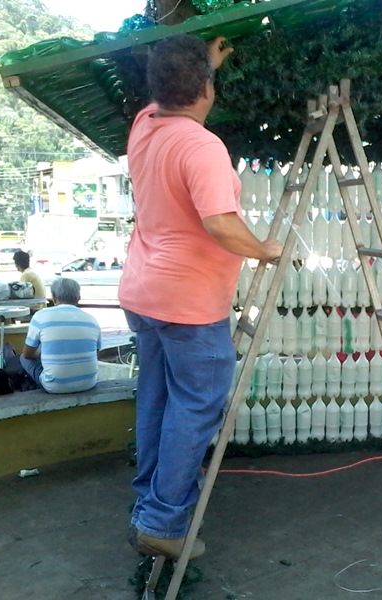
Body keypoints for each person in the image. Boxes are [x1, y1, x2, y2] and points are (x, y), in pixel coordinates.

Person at [119, 34, 283, 561]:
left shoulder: (146, 126)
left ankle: (149, 507)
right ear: (207, 90)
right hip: (189, 303)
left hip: (144, 294)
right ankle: (164, 523)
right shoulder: (201, 145)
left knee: (157, 400)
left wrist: (200, 67)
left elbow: (169, 90)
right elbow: (220, 224)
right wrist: (266, 251)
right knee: (194, 409)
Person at [20, 277, 101, 394]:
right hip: (88, 383)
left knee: (23, 358)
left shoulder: (40, 316)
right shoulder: (92, 320)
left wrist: (42, 350)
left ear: (53, 297)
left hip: (55, 386)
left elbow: (28, 354)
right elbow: (95, 352)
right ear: (78, 298)